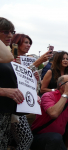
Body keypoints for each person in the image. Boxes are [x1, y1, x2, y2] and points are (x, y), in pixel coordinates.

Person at [0, 17, 24, 150]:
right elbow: (8, 57)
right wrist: (3, 91)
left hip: (5, 112)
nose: (10, 35)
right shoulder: (7, 55)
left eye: (12, 31)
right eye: (5, 31)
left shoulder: (6, 54)